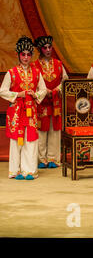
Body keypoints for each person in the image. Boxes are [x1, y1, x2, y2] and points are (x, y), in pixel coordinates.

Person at [0, 36, 47, 180]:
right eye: (23, 54)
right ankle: (15, 171)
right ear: (18, 55)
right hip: (16, 111)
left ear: (31, 55)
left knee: (30, 139)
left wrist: (36, 95)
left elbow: (43, 89)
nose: (26, 57)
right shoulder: (11, 72)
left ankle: (29, 171)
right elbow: (2, 90)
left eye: (28, 54)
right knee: (16, 140)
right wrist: (17, 94)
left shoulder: (36, 72)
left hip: (30, 110)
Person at [31, 35, 68, 169]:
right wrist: (43, 91)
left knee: (55, 130)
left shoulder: (58, 64)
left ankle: (53, 158)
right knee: (41, 130)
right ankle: (42, 159)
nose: (48, 50)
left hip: (55, 101)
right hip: (42, 102)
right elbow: (32, 81)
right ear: (40, 49)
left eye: (49, 47)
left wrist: (57, 89)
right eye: (45, 47)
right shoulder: (34, 65)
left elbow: (65, 79)